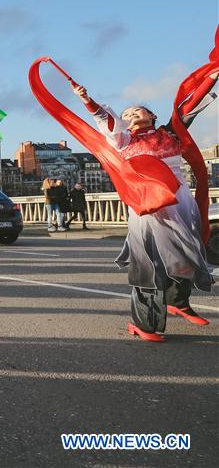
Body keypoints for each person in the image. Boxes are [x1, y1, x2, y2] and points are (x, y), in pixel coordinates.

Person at [73, 74, 217, 341]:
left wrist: (212, 74)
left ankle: (179, 302)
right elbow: (107, 123)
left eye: (136, 109)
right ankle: (145, 323)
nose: (130, 114)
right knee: (148, 261)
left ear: (151, 114)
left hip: (179, 199)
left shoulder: (170, 133)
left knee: (189, 251)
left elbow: (190, 105)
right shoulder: (124, 140)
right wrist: (87, 101)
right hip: (147, 204)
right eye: (127, 113)